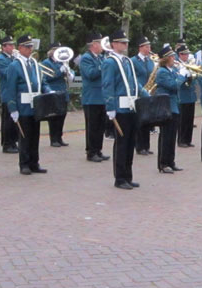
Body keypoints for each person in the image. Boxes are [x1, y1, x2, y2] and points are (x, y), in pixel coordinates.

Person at [102, 29, 149, 190]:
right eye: (122, 42)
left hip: (132, 106)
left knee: (130, 143)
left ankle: (128, 176)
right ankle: (120, 178)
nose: (125, 44)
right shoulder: (109, 62)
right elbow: (108, 85)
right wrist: (110, 107)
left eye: (126, 42)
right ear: (114, 44)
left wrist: (145, 94)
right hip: (120, 108)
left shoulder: (127, 61)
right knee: (121, 143)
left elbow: (133, 82)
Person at [6, 34, 50, 175]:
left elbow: (41, 82)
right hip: (23, 105)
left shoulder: (35, 64)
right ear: (20, 48)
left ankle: (34, 162)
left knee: (35, 135)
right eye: (27, 46)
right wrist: (12, 108)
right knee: (25, 136)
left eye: (31, 46)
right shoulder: (14, 66)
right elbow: (10, 88)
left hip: (35, 105)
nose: (30, 49)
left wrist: (49, 91)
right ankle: (24, 164)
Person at [154, 45, 188, 173]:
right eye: (172, 56)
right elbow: (173, 85)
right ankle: (163, 163)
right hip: (166, 106)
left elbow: (178, 83)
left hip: (174, 106)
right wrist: (181, 76)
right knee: (166, 136)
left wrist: (186, 76)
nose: (174, 58)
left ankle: (171, 161)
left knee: (172, 136)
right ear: (166, 58)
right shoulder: (162, 72)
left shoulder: (172, 70)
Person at [80, 32, 110, 163]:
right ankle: (91, 152)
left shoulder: (101, 58)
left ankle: (98, 150)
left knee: (101, 126)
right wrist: (104, 65)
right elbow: (91, 74)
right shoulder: (86, 58)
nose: (102, 46)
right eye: (100, 43)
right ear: (93, 44)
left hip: (102, 97)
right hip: (91, 98)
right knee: (92, 126)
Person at [41, 42, 75, 147]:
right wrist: (59, 72)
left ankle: (59, 137)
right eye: (56, 50)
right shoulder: (46, 63)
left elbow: (70, 78)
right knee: (53, 117)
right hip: (53, 92)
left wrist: (68, 71)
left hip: (63, 92)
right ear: (51, 52)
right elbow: (46, 77)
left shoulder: (62, 62)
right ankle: (53, 139)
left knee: (62, 116)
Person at [131, 36, 155, 156]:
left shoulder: (150, 61)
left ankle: (146, 145)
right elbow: (133, 78)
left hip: (149, 93)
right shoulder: (133, 61)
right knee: (140, 121)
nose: (149, 48)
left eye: (149, 46)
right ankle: (139, 146)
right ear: (140, 47)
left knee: (147, 120)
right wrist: (142, 90)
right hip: (139, 93)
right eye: (146, 46)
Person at [0, 35, 19, 154]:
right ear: (4, 47)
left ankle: (13, 142)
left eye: (13, 45)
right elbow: (7, 74)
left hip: (15, 94)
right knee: (7, 120)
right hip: (7, 93)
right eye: (10, 45)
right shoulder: (1, 59)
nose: (13, 47)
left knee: (14, 121)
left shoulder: (12, 58)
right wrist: (15, 61)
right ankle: (6, 144)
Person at [176, 44, 197, 148]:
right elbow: (177, 78)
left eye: (187, 54)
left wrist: (193, 74)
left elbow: (195, 76)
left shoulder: (189, 63)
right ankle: (181, 140)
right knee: (182, 120)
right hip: (183, 95)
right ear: (180, 54)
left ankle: (188, 139)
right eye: (184, 54)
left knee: (190, 119)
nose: (187, 56)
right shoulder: (177, 64)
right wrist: (184, 74)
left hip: (191, 94)